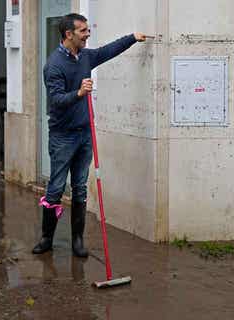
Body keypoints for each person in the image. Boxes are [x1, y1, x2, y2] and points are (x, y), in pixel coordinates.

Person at [33, 13, 148, 257]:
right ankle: (46, 239)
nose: (88, 34)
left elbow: (108, 51)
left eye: (87, 30)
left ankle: (77, 241)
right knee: (54, 188)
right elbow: (55, 100)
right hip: (63, 136)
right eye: (83, 31)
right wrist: (78, 93)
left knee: (80, 188)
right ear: (69, 35)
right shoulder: (54, 65)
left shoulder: (85, 56)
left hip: (85, 134)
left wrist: (132, 38)